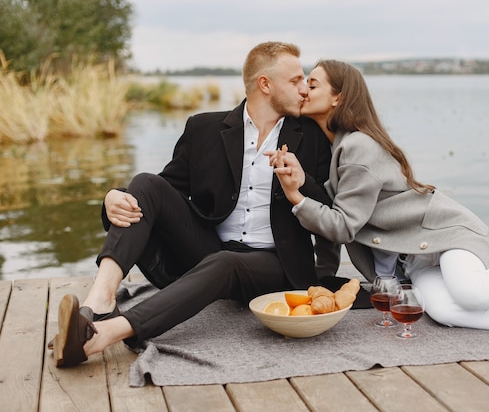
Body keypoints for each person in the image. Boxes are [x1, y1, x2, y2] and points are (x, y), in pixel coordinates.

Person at [266, 58, 489, 341]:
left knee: (471, 293)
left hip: (445, 234)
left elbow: (343, 226)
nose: (303, 90)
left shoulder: (358, 146)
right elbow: (337, 208)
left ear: (338, 97)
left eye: (311, 83)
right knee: (445, 312)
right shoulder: (340, 145)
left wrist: (297, 196)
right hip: (417, 258)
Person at [51, 42, 340, 367]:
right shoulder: (203, 128)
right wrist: (111, 198)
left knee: (227, 262)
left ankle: (103, 335)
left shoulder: (312, 137)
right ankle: (99, 301)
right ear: (265, 84)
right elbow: (162, 192)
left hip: (274, 264)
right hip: (207, 249)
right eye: (296, 80)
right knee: (144, 182)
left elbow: (328, 214)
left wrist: (301, 185)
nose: (304, 90)